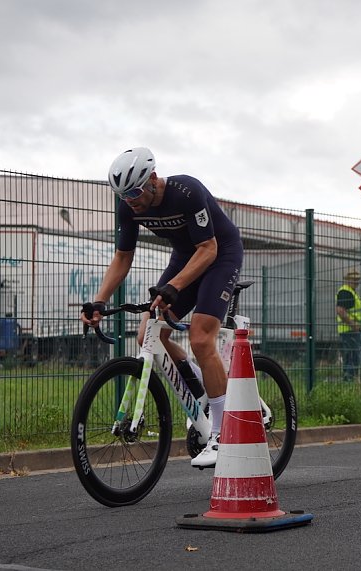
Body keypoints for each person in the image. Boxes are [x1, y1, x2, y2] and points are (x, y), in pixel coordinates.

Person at [80, 147, 243, 468]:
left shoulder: (186, 191)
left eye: (135, 192)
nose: (131, 200)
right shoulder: (128, 206)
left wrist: (175, 286)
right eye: (123, 195)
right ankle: (204, 388)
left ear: (153, 178)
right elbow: (122, 257)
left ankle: (223, 433)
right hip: (185, 257)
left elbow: (208, 248)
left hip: (219, 254)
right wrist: (99, 300)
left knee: (200, 338)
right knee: (148, 335)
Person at [336, 268, 361, 382]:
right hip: (350, 330)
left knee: (352, 357)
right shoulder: (346, 292)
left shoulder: (351, 291)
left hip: (351, 330)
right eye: (353, 279)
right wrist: (354, 325)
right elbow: (340, 311)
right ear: (347, 280)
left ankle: (350, 380)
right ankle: (349, 381)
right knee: (352, 357)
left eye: (357, 279)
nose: (356, 282)